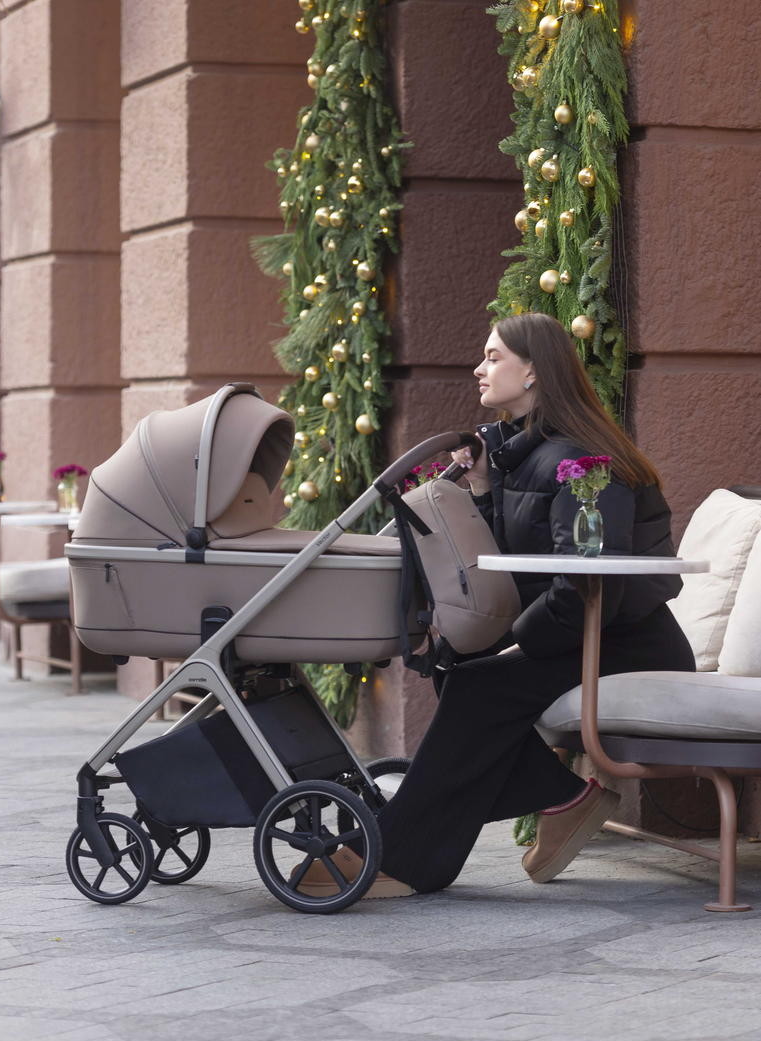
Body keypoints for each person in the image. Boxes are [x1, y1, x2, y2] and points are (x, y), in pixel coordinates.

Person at [298, 312, 696, 899]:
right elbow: (509, 565)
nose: (478, 369)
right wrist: (484, 488)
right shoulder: (525, 457)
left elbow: (589, 585)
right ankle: (563, 798)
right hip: (580, 634)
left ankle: (402, 858)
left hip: (622, 644)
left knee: (480, 687)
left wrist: (519, 643)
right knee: (454, 665)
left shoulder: (585, 464)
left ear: (533, 370)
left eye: (493, 357)